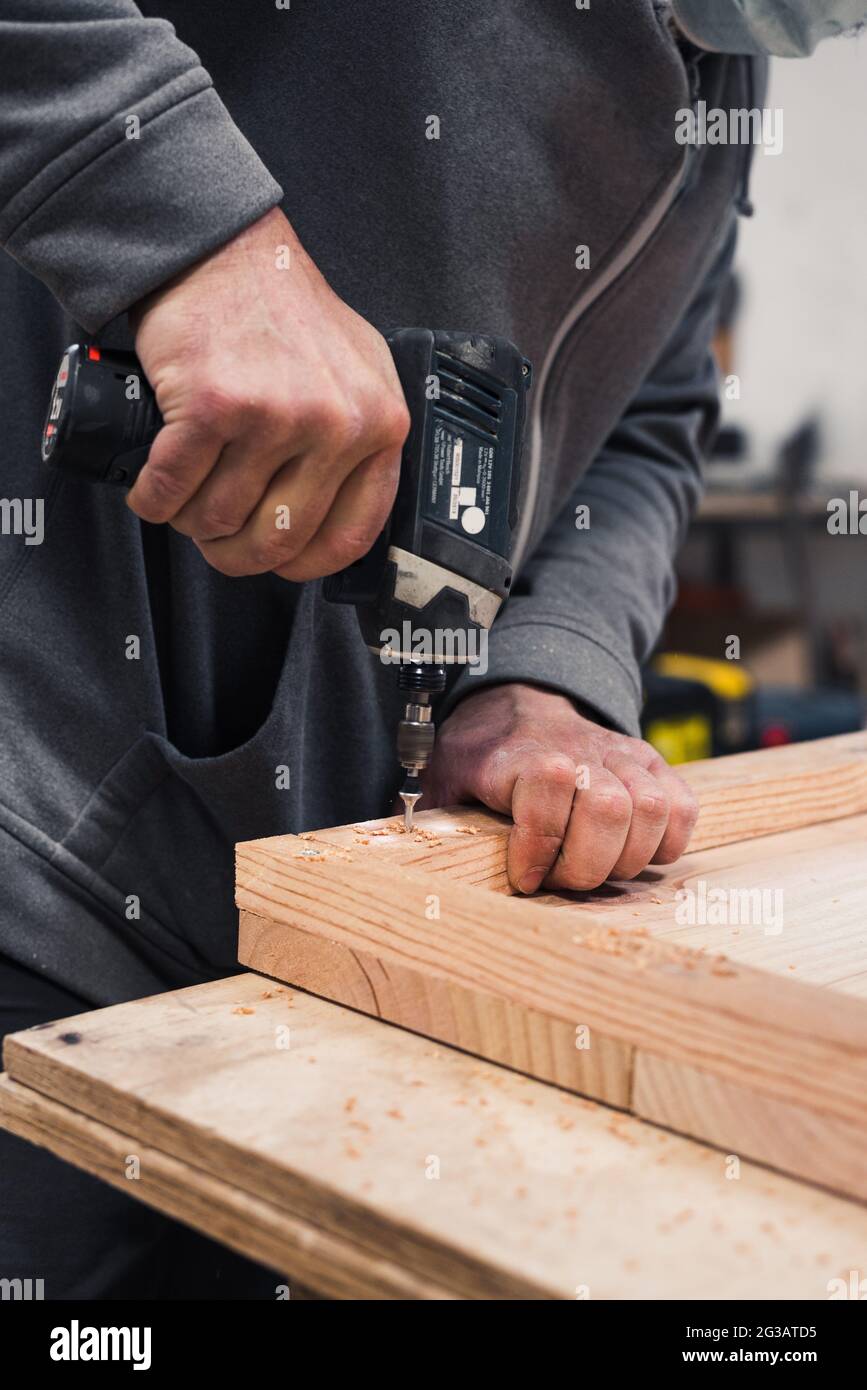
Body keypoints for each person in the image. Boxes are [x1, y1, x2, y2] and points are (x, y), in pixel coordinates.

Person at [0, 0, 861, 1299]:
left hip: (288, 950)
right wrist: (196, 236)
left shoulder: (719, 93)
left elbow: (648, 417)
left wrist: (551, 672)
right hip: (38, 843)